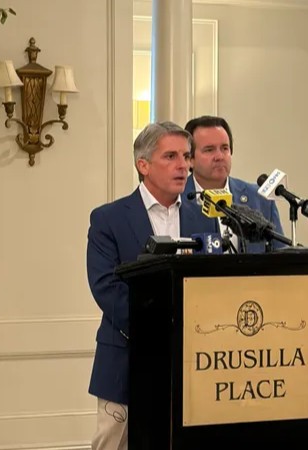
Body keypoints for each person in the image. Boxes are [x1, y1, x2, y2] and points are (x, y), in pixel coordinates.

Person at [86, 121, 216, 450]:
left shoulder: (205, 217)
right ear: (143, 165)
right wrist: (161, 328)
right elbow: (106, 287)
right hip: (126, 359)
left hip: (192, 362)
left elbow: (211, 283)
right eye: (170, 156)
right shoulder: (108, 219)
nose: (183, 166)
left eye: (186, 156)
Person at [183, 115, 284, 252]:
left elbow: (280, 256)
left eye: (224, 148)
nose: (219, 156)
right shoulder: (177, 201)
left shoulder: (260, 199)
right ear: (190, 159)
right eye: (209, 150)